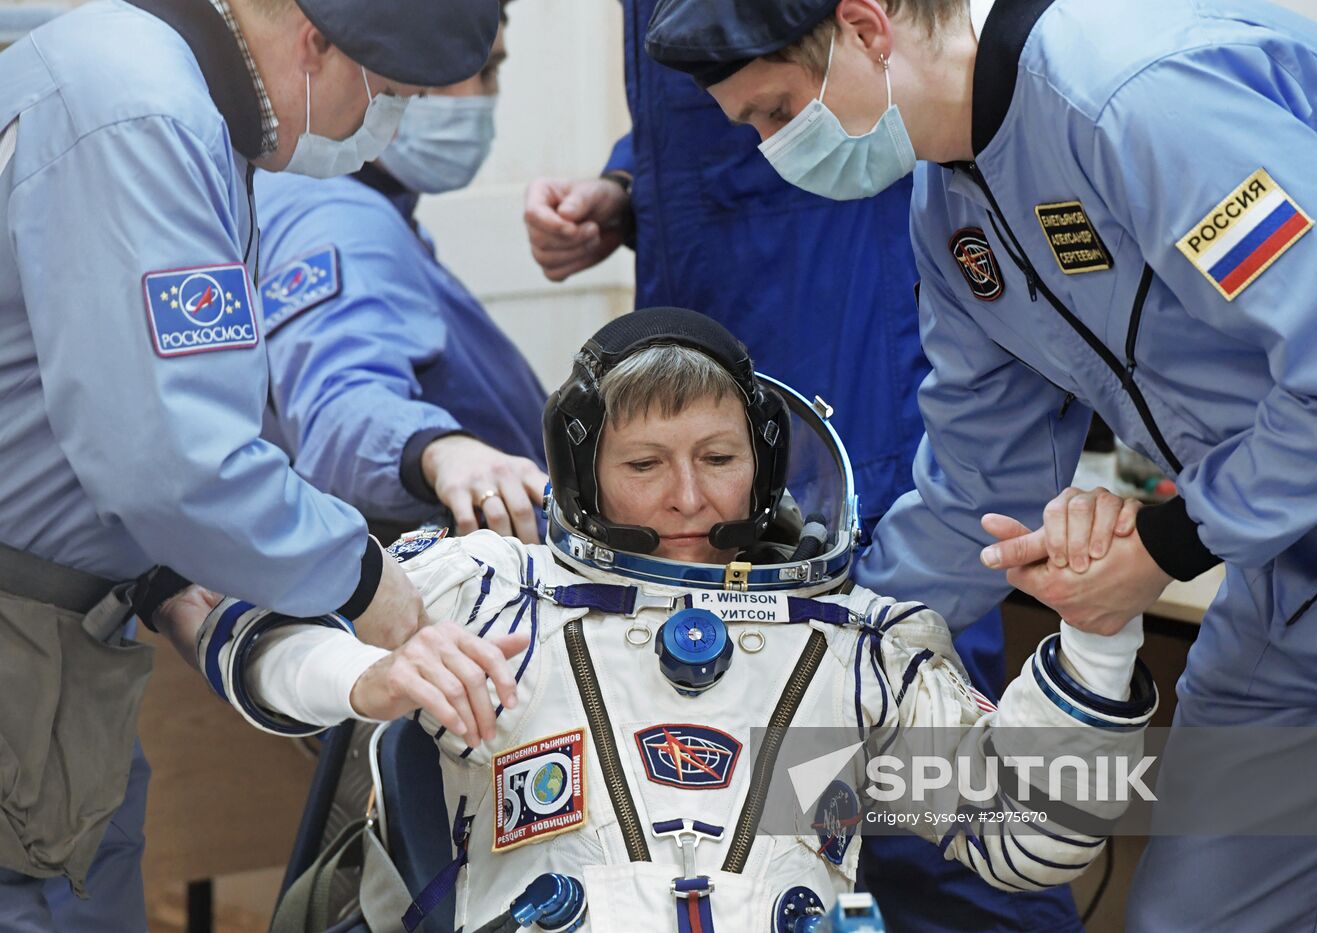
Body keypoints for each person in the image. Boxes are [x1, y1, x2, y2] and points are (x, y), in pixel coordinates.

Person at [642, 0, 1317, 927]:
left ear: (866, 26)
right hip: (1289, 563)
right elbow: (976, 483)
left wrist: (1168, 540)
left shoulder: (1130, 96)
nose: (774, 147)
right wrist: (816, 661)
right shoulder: (952, 211)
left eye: (776, 110)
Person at [197, 307, 1156, 933]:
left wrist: (1097, 640)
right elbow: (246, 632)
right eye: (645, 464)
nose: (689, 497)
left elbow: (1027, 840)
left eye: (719, 456)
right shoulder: (488, 588)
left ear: (765, 466)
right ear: (585, 477)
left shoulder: (853, 643)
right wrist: (362, 678)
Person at [521, 6, 1046, 924]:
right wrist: (626, 183)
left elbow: (841, 74)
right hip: (706, 397)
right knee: (706, 813)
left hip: (853, 406)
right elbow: (721, 95)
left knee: (920, 806)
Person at [0, 0, 499, 928]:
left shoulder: (152, 87)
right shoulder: (143, 110)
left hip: (71, 641)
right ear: (318, 43)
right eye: (385, 94)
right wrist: (359, 577)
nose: (377, 127)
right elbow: (172, 460)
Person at [257, 4, 548, 546]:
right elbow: (340, 401)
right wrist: (439, 451)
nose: (484, 99)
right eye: (479, 70)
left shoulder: (377, 208)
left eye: (494, 73)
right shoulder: (337, 219)